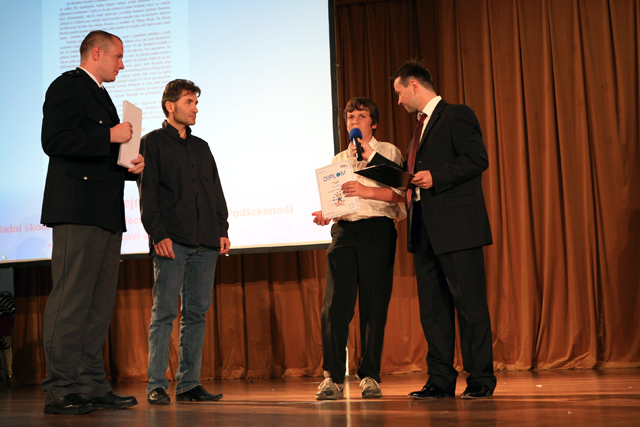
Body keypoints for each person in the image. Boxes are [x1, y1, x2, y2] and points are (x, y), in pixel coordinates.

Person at [364, 60, 496, 399]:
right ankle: (440, 380)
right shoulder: (418, 131)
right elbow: (413, 177)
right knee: (433, 312)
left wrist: (437, 176)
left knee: (470, 307)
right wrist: (379, 164)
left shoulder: (456, 115)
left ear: (414, 85)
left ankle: (480, 379)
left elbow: (477, 159)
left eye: (399, 93)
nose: (398, 101)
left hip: (458, 229)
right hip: (424, 231)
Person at [40, 30, 144, 415]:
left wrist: (130, 165)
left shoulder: (101, 94)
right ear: (96, 53)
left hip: (104, 211)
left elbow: (102, 155)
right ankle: (60, 388)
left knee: (98, 305)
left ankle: (91, 384)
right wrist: (109, 134)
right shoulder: (67, 86)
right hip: (77, 210)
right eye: (118, 56)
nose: (122, 64)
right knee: (72, 301)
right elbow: (55, 141)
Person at [139, 79, 230, 405]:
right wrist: (158, 234)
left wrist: (222, 228)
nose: (195, 109)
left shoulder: (202, 146)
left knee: (196, 315)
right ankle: (156, 384)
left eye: (196, 103)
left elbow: (215, 191)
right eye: (189, 102)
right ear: (170, 105)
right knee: (164, 314)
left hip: (206, 241)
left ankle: (189, 383)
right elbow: (147, 193)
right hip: (172, 241)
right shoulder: (152, 143)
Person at [312, 97, 406, 400]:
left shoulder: (387, 151)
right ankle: (332, 377)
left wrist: (366, 190)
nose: (354, 121)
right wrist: (326, 212)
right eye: (350, 117)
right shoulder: (339, 158)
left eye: (361, 116)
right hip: (344, 231)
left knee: (373, 306)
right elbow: (337, 199)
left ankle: (370, 376)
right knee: (334, 307)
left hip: (377, 230)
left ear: (373, 123)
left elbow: (402, 196)